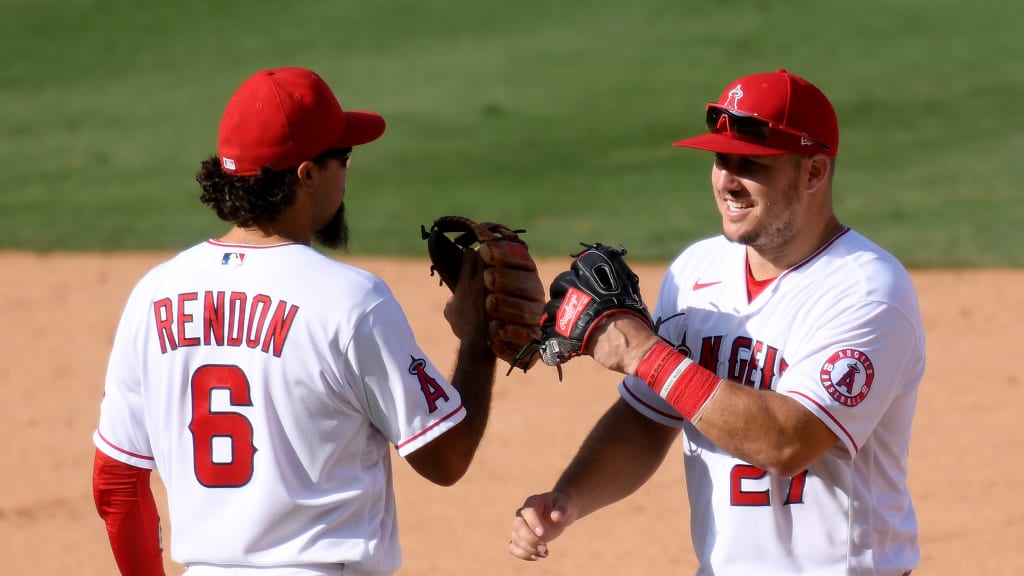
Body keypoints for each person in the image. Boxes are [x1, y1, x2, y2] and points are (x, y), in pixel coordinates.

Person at [508, 69, 925, 575]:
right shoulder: (695, 271)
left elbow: (789, 443)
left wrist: (644, 352)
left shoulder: (866, 291)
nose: (727, 180)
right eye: (720, 159)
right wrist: (569, 497)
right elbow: (647, 416)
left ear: (813, 172)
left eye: (751, 163)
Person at [92, 67, 500, 576]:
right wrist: (479, 339)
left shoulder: (153, 296)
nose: (347, 174)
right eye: (343, 158)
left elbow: (117, 484)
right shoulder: (352, 301)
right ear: (307, 174)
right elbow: (447, 458)